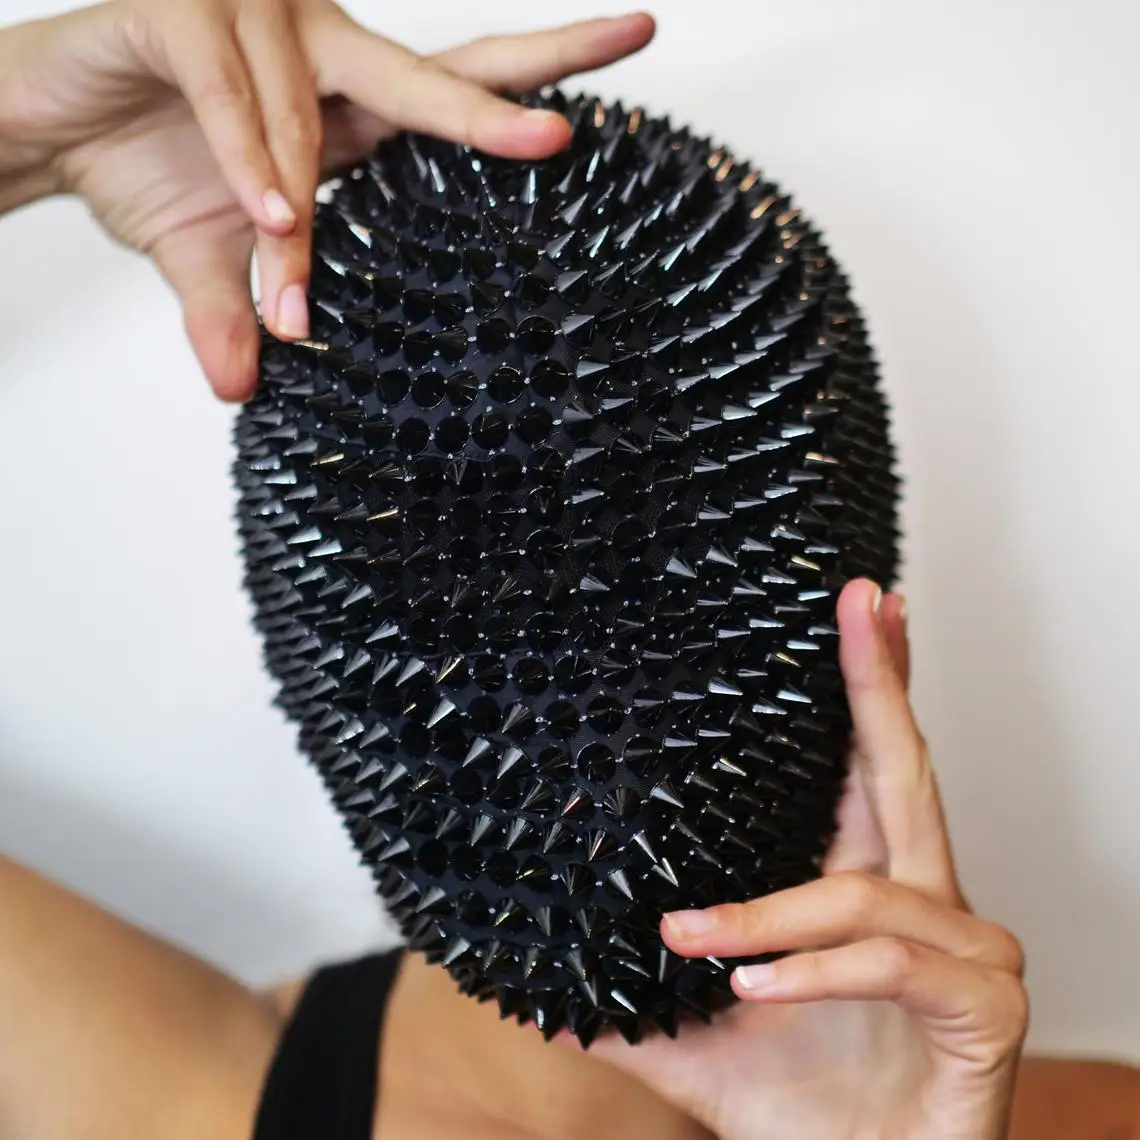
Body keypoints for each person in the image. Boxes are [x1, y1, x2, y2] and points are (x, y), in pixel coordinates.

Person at [0, 3, 1137, 1138]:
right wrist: (32, 131)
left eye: (668, 567)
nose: (605, 749)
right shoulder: (190, 1087)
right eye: (473, 586)